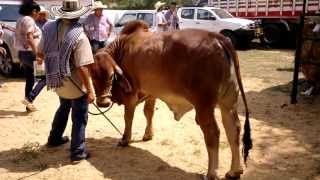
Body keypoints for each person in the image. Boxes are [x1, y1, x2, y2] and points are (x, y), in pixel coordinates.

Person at [38, 0, 95, 162]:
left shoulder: (49, 28)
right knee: (79, 116)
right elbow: (83, 67)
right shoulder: (79, 36)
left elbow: (40, 53)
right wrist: (90, 91)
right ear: (77, 16)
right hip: (76, 86)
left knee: (63, 107)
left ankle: (54, 138)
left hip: (57, 80)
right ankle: (78, 153)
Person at [15, 2, 46, 112]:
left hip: (22, 53)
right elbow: (29, 37)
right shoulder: (29, 20)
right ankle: (30, 98)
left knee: (30, 78)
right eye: (38, 13)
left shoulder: (20, 20)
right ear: (34, 11)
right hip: (30, 54)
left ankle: (28, 105)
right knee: (44, 77)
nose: (38, 15)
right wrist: (37, 54)